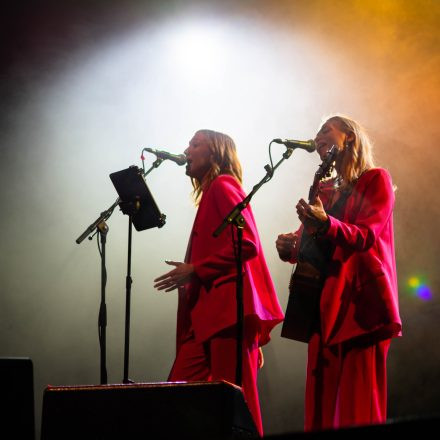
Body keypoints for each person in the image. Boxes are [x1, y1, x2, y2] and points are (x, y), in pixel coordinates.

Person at [154, 129, 284, 436]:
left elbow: (248, 244)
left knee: (238, 407)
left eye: (194, 143)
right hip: (208, 318)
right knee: (180, 397)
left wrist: (196, 269)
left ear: (215, 152)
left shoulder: (224, 186)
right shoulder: (213, 192)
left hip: (226, 314)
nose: (186, 149)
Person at [276, 115, 401, 431]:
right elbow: (315, 243)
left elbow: (365, 236)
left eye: (326, 129)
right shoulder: (327, 189)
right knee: (319, 408)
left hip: (358, 308)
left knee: (355, 408)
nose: (317, 136)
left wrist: (324, 223)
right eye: (317, 131)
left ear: (350, 137)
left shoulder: (376, 179)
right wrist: (291, 245)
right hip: (322, 305)